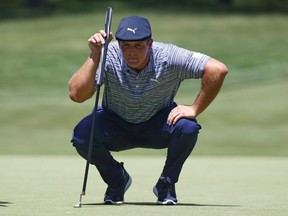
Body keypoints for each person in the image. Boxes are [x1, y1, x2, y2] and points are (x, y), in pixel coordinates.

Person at [69, 15, 228, 205]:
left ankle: (166, 183)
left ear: (150, 43)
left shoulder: (169, 56)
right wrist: (96, 54)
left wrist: (194, 109)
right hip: (115, 122)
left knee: (188, 127)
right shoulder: (107, 55)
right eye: (125, 46)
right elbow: (77, 95)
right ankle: (117, 181)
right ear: (118, 44)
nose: (131, 52)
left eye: (138, 46)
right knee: (82, 136)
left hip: (158, 123)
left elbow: (218, 69)